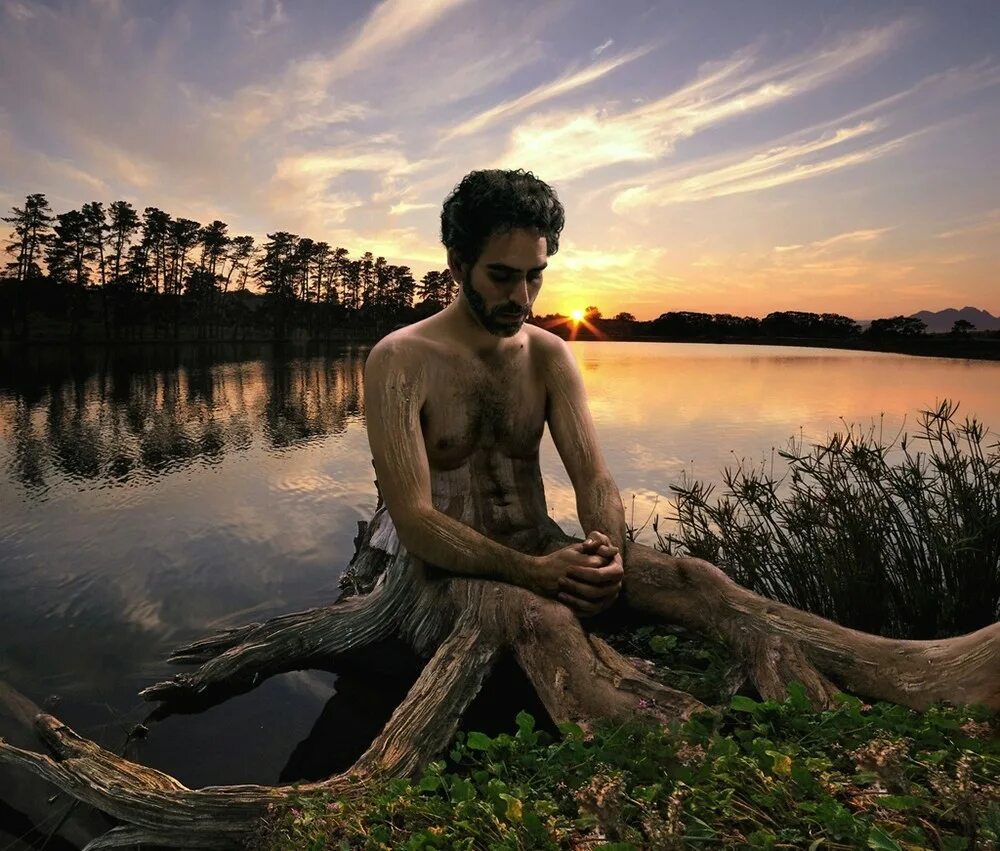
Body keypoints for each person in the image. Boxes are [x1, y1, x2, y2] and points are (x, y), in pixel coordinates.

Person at [364, 168, 626, 616]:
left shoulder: (550, 355)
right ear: (458, 265)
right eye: (502, 276)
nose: (522, 297)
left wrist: (608, 553)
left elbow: (595, 478)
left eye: (535, 276)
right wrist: (531, 572)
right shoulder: (401, 359)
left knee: (696, 579)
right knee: (549, 624)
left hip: (535, 543)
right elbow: (413, 519)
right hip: (441, 568)